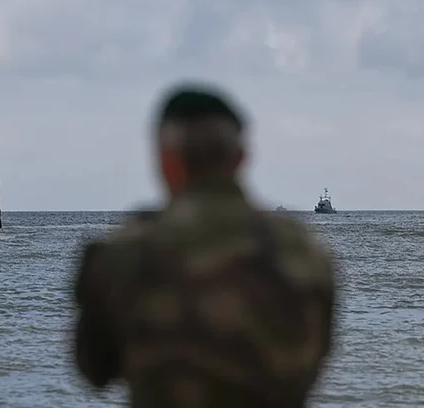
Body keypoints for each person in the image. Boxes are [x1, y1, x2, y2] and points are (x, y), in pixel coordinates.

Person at [70, 83, 337, 407]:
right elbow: (313, 367)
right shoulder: (305, 255)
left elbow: (94, 369)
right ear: (241, 157)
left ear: (166, 159)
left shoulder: (125, 254)